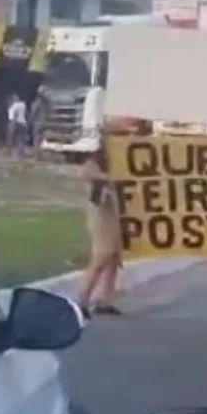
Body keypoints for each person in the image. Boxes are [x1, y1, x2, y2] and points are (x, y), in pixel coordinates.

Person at [75, 134, 123, 318]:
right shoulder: (99, 156)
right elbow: (84, 173)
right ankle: (82, 300)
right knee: (102, 255)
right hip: (102, 210)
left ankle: (105, 299)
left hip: (116, 210)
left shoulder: (124, 155)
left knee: (115, 256)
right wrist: (109, 177)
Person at [6, 94, 28, 158]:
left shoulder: (14, 106)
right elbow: (25, 113)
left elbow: (14, 116)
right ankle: (22, 152)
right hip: (23, 122)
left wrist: (13, 125)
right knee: (22, 139)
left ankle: (17, 153)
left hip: (16, 122)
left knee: (15, 138)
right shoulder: (23, 104)